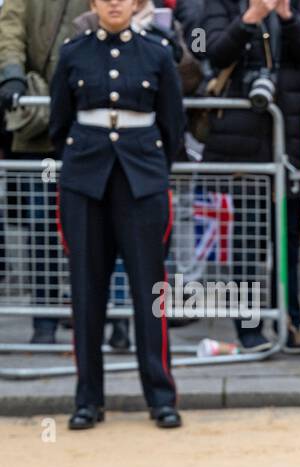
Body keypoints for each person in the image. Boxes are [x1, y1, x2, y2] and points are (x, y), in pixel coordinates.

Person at [50, 0, 186, 429]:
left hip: (141, 181)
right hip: (86, 181)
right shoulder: (74, 52)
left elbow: (172, 124)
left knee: (150, 292)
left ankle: (161, 396)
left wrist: (153, 171)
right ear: (93, 3)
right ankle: (88, 400)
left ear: (135, 5)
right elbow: (59, 123)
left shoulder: (157, 52)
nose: (114, 3)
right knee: (87, 293)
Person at [200, 0, 300, 351]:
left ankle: (289, 319)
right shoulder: (222, 4)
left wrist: (287, 16)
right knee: (246, 244)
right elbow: (214, 53)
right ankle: (249, 328)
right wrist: (250, 18)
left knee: (289, 239)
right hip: (242, 142)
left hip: (292, 135)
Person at [0, 0, 86, 345]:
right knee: (44, 226)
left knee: (98, 227)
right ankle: (45, 322)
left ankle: (112, 319)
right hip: (44, 134)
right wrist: (12, 74)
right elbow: (10, 30)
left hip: (92, 130)